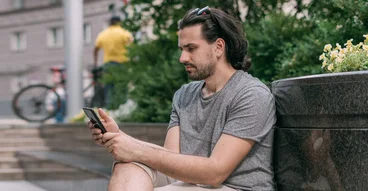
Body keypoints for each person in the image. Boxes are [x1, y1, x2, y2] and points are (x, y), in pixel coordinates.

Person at [88, 7, 276, 190]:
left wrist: (135, 148)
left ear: (219, 47)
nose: (182, 58)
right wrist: (120, 137)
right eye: (182, 49)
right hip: (192, 183)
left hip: (233, 186)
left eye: (191, 48)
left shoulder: (251, 95)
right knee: (128, 166)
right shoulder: (185, 95)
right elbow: (170, 157)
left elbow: (216, 173)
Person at [93, 16, 133, 108]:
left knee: (109, 87)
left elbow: (96, 49)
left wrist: (95, 63)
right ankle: (122, 109)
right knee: (122, 87)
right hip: (123, 64)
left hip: (108, 64)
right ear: (119, 22)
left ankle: (109, 110)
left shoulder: (103, 34)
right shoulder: (124, 33)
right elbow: (132, 47)